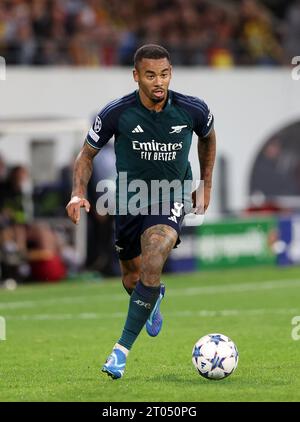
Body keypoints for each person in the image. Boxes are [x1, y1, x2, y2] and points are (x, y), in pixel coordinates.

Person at [66, 44, 216, 379]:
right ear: (136, 76)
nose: (158, 81)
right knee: (133, 278)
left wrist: (205, 182)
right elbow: (85, 156)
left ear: (171, 73)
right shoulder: (116, 113)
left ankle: (120, 351)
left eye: (164, 74)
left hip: (171, 194)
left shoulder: (192, 110)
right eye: (150, 75)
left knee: (156, 252)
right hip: (130, 200)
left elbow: (208, 137)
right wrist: (78, 194)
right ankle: (153, 295)